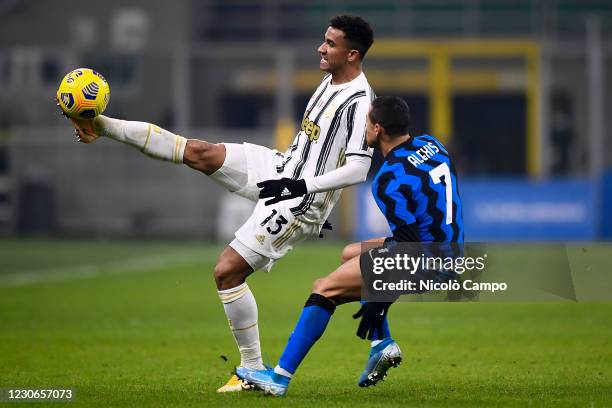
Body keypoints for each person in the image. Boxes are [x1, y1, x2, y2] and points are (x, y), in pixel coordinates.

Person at [63, 15, 381, 393]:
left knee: (227, 271)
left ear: (352, 54)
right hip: (281, 168)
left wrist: (303, 188)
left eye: (330, 43)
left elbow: (360, 168)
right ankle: (103, 126)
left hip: (299, 200)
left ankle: (250, 370)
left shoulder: (361, 102)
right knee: (200, 152)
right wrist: (291, 176)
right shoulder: (330, 79)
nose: (321, 47)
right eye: (323, 40)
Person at [237, 96, 464, 396]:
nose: (364, 129)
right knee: (349, 253)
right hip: (450, 248)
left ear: (378, 128)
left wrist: (378, 303)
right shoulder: (432, 145)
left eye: (367, 123)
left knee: (324, 288)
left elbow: (407, 251)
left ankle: (278, 380)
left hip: (425, 258)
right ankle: (380, 344)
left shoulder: (388, 180)